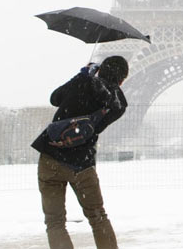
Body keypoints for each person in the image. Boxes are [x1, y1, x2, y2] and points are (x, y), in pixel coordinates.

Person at [31, 56, 129, 249]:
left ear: (101, 69)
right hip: (82, 164)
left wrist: (83, 74)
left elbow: (55, 98)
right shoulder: (118, 103)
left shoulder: (83, 81)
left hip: (51, 157)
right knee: (98, 217)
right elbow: (107, 110)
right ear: (122, 79)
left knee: (54, 222)